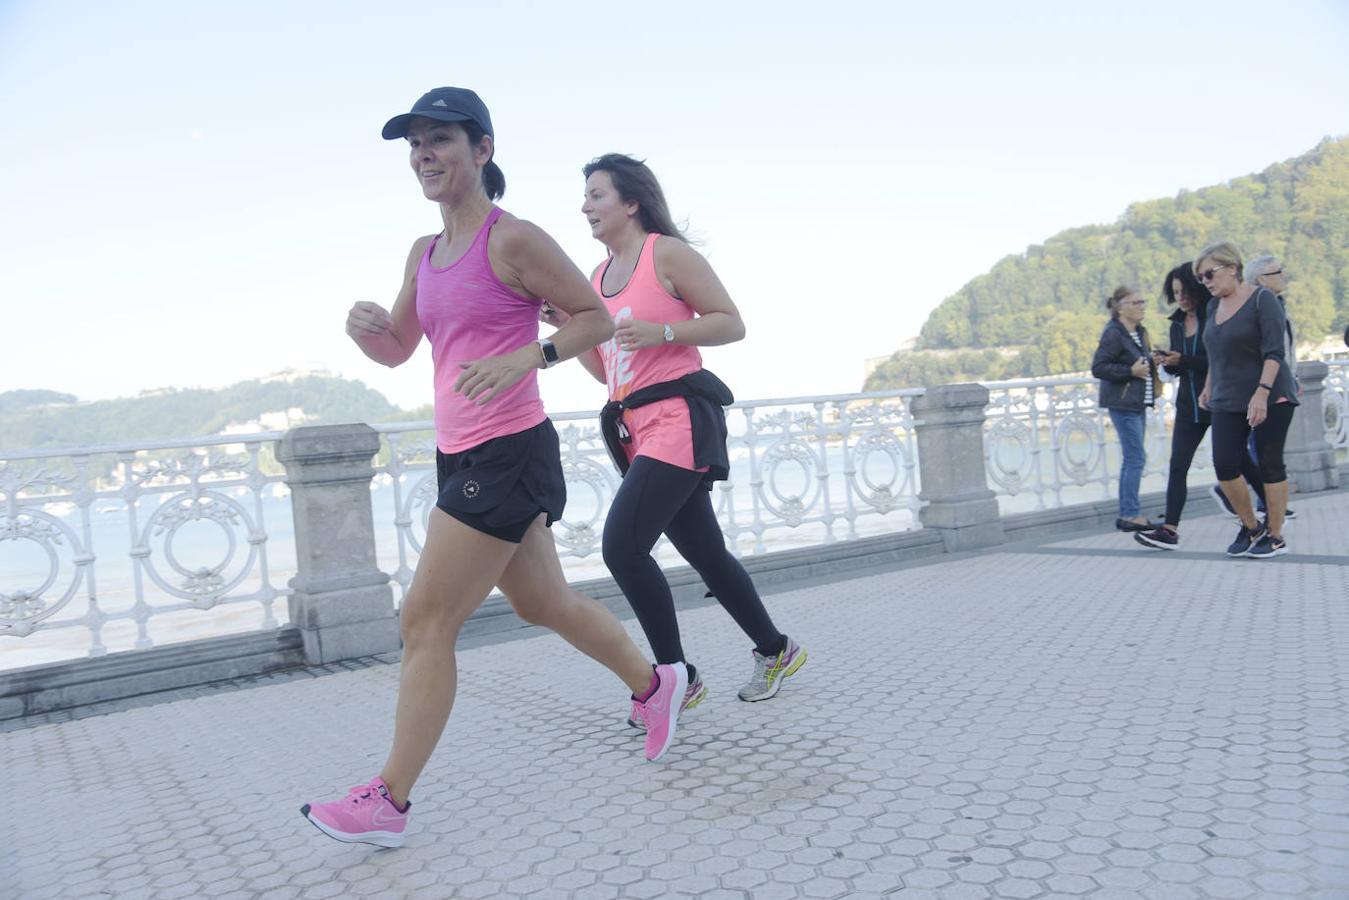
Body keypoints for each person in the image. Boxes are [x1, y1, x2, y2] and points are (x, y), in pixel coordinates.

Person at [301, 88, 662, 848]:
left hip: (508, 449)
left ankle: (388, 803)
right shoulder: (422, 253)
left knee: (424, 620)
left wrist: (522, 358)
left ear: (482, 151)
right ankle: (653, 685)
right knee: (543, 603)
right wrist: (365, 331)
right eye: (415, 145)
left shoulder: (514, 239)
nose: (424, 156)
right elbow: (401, 348)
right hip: (460, 449)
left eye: (439, 140)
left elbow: (595, 318)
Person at [546, 153, 806, 762]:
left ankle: (674, 678)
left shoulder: (668, 254)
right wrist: (568, 325)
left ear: (630, 202)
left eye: (596, 195)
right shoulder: (596, 277)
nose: (585, 206)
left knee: (621, 547)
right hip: (635, 425)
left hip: (681, 419)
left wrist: (666, 332)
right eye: (584, 197)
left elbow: (731, 324)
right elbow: (607, 370)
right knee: (704, 551)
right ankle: (776, 650)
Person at [1195, 241, 1299, 558]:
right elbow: (1215, 351)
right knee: (1225, 463)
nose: (1206, 282)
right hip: (1228, 396)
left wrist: (1262, 392)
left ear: (1233, 268)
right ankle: (1252, 527)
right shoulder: (1214, 307)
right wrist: (1209, 386)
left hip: (1271, 393)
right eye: (1201, 278)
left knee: (1270, 463)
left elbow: (1274, 351)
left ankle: (1276, 535)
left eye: (1210, 274)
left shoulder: (1262, 300)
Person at [1092, 285, 1162, 532]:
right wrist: (1129, 372)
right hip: (1122, 404)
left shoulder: (1139, 332)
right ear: (1120, 307)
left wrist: (1153, 360)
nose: (1141, 306)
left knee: (1133, 458)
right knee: (1135, 458)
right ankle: (1130, 514)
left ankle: (1129, 513)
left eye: (1143, 302)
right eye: (1136, 303)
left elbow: (1137, 363)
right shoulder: (1113, 333)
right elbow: (1099, 367)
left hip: (1137, 402)